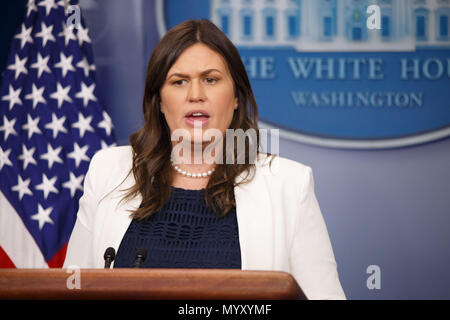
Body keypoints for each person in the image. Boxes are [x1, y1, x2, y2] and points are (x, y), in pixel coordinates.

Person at [63, 19, 346, 300]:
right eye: (179, 81)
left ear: (236, 97)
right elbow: (69, 290)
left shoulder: (289, 184)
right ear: (160, 101)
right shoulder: (108, 172)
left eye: (210, 80)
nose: (195, 95)